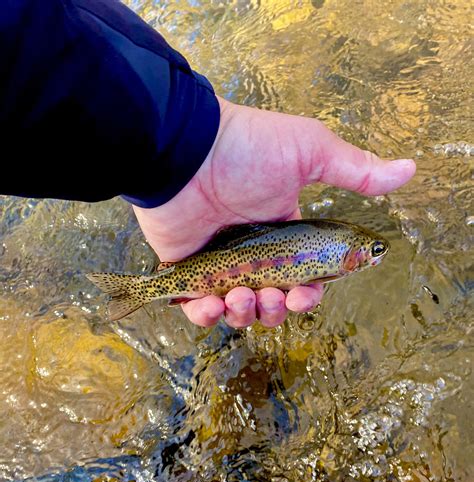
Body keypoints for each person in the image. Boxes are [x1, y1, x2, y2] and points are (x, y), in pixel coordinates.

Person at [1, 0, 415, 328]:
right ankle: (144, 290)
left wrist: (189, 150)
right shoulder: (342, 249)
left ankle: (148, 288)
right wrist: (183, 141)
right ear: (356, 253)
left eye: (375, 251)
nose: (375, 255)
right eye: (374, 251)